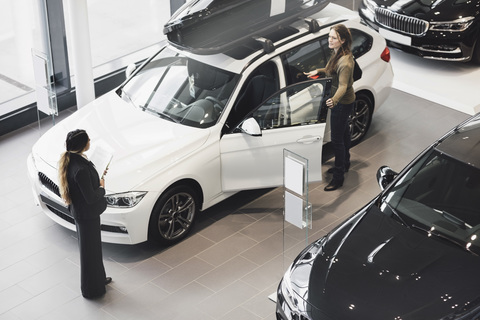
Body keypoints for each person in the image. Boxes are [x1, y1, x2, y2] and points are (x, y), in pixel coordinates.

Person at [58, 129, 112, 299]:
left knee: (93, 249)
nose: (90, 141)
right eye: (88, 139)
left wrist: (98, 176)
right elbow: (90, 197)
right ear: (83, 144)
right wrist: (102, 187)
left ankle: (99, 279)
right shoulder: (80, 169)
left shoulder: (73, 160)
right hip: (87, 215)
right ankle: (91, 289)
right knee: (90, 253)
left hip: (83, 214)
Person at [304, 24, 356, 191]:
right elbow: (330, 70)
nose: (330, 40)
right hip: (342, 102)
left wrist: (333, 100)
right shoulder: (338, 54)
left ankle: (338, 177)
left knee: (337, 141)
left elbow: (342, 85)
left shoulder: (345, 62)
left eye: (333, 38)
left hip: (341, 103)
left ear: (342, 40)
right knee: (344, 133)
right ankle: (345, 164)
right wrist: (318, 71)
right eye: (329, 37)